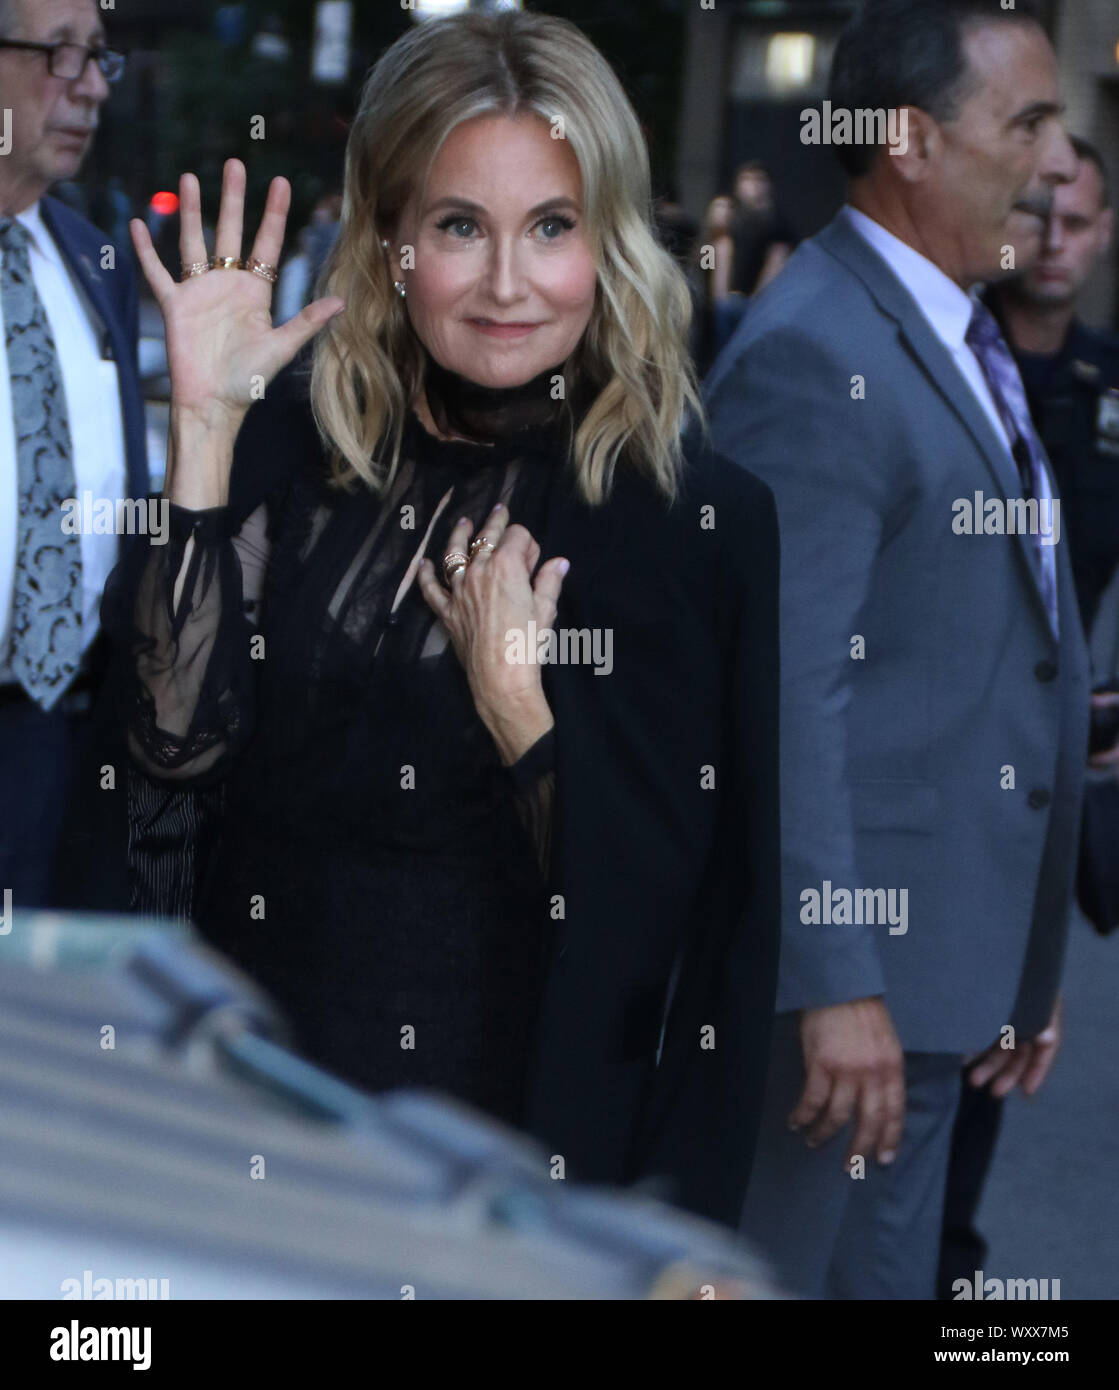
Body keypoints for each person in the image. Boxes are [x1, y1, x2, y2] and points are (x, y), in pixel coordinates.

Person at [105, 10, 780, 1228]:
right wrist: (205, 432)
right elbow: (167, 766)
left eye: (553, 228)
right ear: (392, 243)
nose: (510, 283)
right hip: (261, 1106)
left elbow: (685, 931)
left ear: (610, 241)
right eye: (461, 226)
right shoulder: (294, 451)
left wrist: (525, 716)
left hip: (503, 1152)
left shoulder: (690, 523)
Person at [704, 0, 1087, 1296]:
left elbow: (938, 648)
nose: (1053, 161)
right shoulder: (818, 351)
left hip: (928, 991)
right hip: (845, 1010)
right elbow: (776, 689)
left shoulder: (939, 325)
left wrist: (1016, 962)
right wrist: (832, 978)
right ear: (910, 141)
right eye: (1025, 121)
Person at [938, 135, 1119, 1298]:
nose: (1057, 237)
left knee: (995, 1059)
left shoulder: (1111, 389)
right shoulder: (949, 354)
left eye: (1082, 219)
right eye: (1039, 212)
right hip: (934, 760)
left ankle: (953, 1279)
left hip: (1039, 777)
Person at [0, 0, 148, 910]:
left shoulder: (96, 260)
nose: (90, 86)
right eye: (59, 54)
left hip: (64, 739)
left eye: (98, 57)